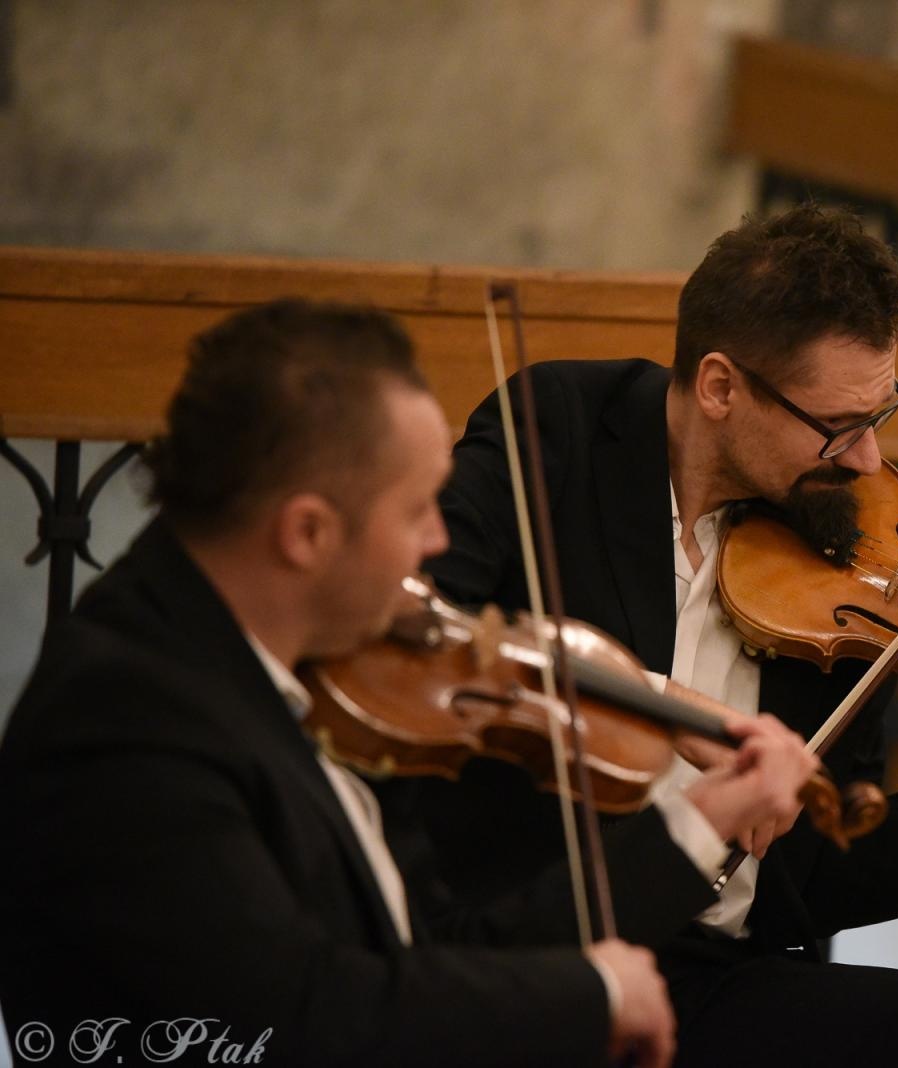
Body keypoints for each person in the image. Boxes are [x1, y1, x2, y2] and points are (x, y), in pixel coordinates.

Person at [419, 205, 898, 1066]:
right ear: (720, 388)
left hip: (703, 973)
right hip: (524, 953)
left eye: (879, 415)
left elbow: (817, 869)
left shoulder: (831, 540)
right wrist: (658, 704)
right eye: (838, 426)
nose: (864, 461)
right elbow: (418, 615)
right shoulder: (559, 428)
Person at [0, 299, 816, 1067]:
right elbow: (297, 1021)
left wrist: (699, 825)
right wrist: (593, 992)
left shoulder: (307, 674)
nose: (438, 542)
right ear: (307, 533)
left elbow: (444, 951)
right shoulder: (128, 721)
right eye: (419, 508)